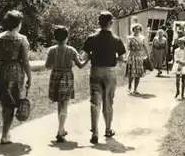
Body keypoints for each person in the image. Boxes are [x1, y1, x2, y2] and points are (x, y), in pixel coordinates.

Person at [0, 10, 32, 145]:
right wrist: (29, 76)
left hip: (0, 70)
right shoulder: (22, 39)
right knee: (11, 103)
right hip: (15, 72)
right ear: (18, 24)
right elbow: (25, 61)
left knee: (5, 103)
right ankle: (5, 134)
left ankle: (6, 132)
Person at [81, 11, 126, 144]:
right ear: (111, 23)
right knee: (108, 101)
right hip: (110, 72)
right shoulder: (116, 39)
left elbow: (85, 56)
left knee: (95, 102)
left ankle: (95, 132)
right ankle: (108, 129)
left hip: (95, 71)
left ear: (98, 23)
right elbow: (122, 59)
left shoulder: (91, 38)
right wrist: (112, 57)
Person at [45, 25, 88, 142]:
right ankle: (60, 131)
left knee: (60, 104)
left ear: (55, 37)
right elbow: (80, 65)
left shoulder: (51, 50)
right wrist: (88, 58)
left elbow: (47, 66)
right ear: (67, 37)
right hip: (67, 76)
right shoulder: (71, 50)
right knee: (64, 104)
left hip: (55, 76)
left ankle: (62, 128)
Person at [125, 23, 148, 95]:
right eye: (135, 29)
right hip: (132, 56)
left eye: (138, 29)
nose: (137, 30)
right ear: (133, 29)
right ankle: (129, 86)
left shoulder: (142, 38)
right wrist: (126, 57)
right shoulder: (130, 38)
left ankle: (135, 89)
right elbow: (127, 48)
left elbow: (145, 47)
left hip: (139, 56)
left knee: (138, 73)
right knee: (131, 72)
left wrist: (148, 55)